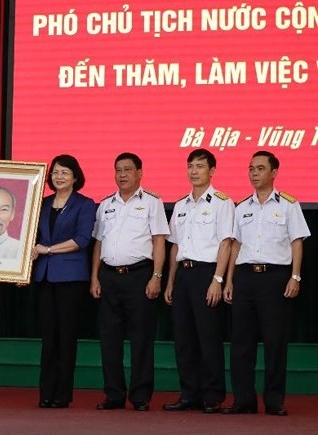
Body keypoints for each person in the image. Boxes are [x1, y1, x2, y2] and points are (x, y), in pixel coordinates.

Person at [222, 151, 310, 416]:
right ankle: (243, 401)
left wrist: (295, 276)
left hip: (275, 278)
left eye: (260, 168)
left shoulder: (288, 205)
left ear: (274, 172)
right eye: (251, 169)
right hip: (245, 277)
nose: (254, 173)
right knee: (241, 343)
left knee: (274, 342)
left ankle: (273, 401)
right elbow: (235, 245)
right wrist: (229, 280)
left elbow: (297, 242)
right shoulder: (242, 207)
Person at [90, 153, 169, 412]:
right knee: (109, 339)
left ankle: (140, 396)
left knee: (141, 339)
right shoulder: (105, 205)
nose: (122, 175)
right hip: (109, 277)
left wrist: (157, 276)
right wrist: (95, 277)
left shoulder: (152, 202)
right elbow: (99, 244)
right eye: (118, 170)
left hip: (139, 276)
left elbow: (159, 241)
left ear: (139, 173)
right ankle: (113, 394)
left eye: (127, 170)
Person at [163, 148, 234, 414]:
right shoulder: (180, 205)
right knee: (184, 338)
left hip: (207, 273)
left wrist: (218, 279)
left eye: (200, 166)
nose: (194, 171)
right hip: (183, 274)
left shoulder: (222, 202)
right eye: (190, 166)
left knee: (208, 337)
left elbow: (226, 243)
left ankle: (212, 395)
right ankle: (189, 394)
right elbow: (174, 246)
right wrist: (170, 282)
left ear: (212, 171)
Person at [32, 154, 96, 409]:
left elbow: (82, 240)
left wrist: (47, 250)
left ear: (76, 177)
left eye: (65, 173)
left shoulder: (85, 204)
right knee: (48, 338)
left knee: (66, 337)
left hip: (71, 279)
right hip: (44, 277)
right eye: (56, 172)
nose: (59, 176)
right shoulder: (42, 204)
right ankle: (45, 393)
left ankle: (62, 394)